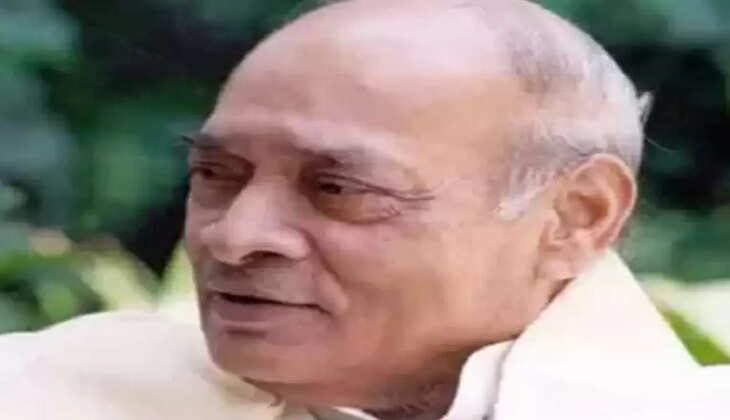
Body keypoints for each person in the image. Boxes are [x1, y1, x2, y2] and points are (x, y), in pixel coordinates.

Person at [1, 0, 727, 419]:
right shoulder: (51, 389)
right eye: (216, 175)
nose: (235, 235)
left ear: (576, 217)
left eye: (339, 188)